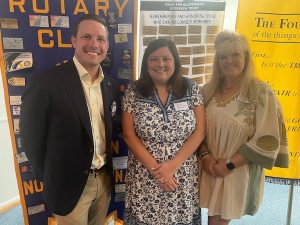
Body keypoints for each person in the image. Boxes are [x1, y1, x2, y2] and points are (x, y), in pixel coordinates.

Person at [20, 14, 118, 225]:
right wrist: (53, 178)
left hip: (103, 181)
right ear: (73, 40)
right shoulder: (46, 83)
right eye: (86, 37)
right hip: (68, 187)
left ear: (107, 45)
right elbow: (30, 139)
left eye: (100, 39)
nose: (94, 44)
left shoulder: (109, 85)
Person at [198, 31, 289, 225]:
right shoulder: (207, 90)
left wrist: (229, 164)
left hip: (236, 170)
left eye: (235, 55)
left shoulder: (261, 93)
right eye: (223, 56)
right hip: (209, 166)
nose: (229, 61)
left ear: (246, 57)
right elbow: (195, 129)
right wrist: (205, 157)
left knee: (218, 221)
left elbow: (267, 138)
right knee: (210, 218)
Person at [121, 38, 205, 224]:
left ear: (174, 61)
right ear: (146, 63)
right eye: (154, 59)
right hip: (145, 175)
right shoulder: (134, 91)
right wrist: (158, 171)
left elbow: (199, 131)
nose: (160, 64)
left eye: (166, 58)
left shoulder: (191, 89)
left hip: (181, 175)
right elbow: (129, 135)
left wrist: (173, 165)